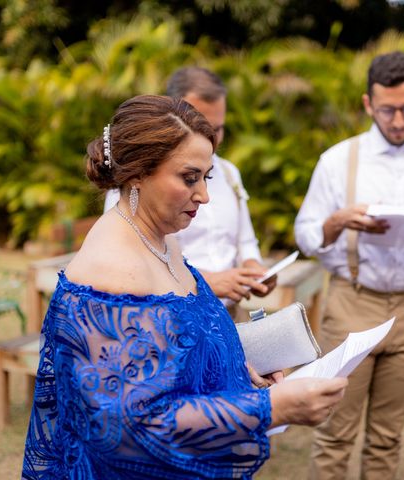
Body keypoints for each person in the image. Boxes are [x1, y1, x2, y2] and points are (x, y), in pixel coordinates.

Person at [21, 95, 348, 479]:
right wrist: (272, 408)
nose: (204, 196)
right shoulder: (114, 270)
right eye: (189, 178)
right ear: (138, 173)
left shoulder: (161, 239)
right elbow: (132, 427)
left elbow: (170, 351)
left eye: (206, 177)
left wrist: (240, 370)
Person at [294, 51, 404, 480]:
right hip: (353, 302)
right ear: (368, 104)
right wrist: (338, 222)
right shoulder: (339, 160)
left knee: (388, 436)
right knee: (336, 432)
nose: (397, 120)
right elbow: (305, 233)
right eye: (388, 109)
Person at [105, 67, 275, 312]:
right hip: (171, 313)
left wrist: (252, 267)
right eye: (189, 178)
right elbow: (131, 263)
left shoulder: (229, 173)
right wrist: (205, 281)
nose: (211, 139)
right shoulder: (136, 181)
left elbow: (245, 240)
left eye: (218, 129)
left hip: (226, 312)